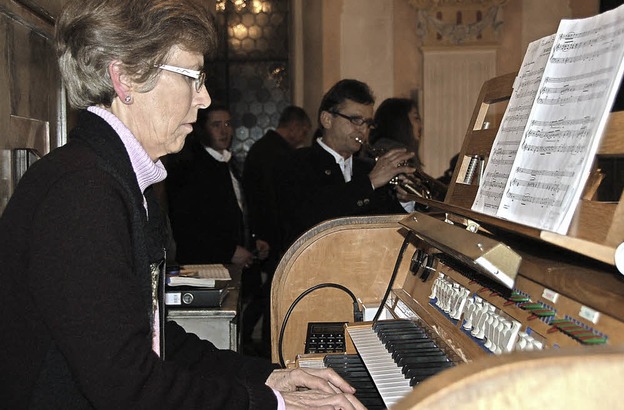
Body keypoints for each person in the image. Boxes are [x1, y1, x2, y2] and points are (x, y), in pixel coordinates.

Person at [0, 0, 365, 408]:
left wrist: (270, 376)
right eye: (192, 77)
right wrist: (273, 404)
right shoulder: (82, 193)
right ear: (125, 79)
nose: (205, 98)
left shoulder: (115, 180)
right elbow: (126, 386)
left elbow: (156, 341)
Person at [276, 79, 416, 248]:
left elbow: (388, 227)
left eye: (368, 123)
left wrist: (405, 200)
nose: (363, 129)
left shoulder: (367, 168)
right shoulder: (296, 162)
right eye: (356, 120)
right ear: (327, 119)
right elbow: (310, 216)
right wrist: (369, 182)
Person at [242, 105, 312, 357]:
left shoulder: (264, 148)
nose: (303, 137)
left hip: (265, 233)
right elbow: (272, 201)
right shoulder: (276, 153)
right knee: (269, 291)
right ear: (293, 127)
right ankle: (256, 339)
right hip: (271, 235)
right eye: (303, 131)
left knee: (266, 290)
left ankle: (249, 334)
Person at [164, 104, 260, 268]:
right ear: (202, 129)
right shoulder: (188, 167)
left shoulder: (228, 161)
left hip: (237, 263)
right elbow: (186, 225)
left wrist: (253, 241)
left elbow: (238, 210)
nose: (224, 131)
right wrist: (228, 251)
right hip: (205, 267)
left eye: (228, 124)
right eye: (216, 125)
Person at [368, 97, 448, 202]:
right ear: (400, 121)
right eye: (416, 118)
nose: (421, 125)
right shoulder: (399, 153)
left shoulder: (379, 147)